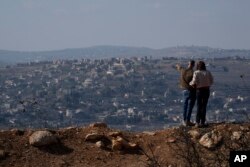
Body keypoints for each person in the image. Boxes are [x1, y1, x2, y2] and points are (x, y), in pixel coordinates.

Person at [189, 61, 213, 127]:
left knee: (199, 106)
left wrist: (190, 84)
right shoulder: (208, 72)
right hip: (207, 90)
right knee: (204, 106)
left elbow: (193, 82)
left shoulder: (196, 72)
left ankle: (197, 122)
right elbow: (211, 81)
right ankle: (202, 122)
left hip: (199, 90)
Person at [176, 60, 196, 126]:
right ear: (193, 65)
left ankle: (184, 120)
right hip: (191, 91)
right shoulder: (193, 73)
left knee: (185, 106)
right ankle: (187, 121)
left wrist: (178, 65)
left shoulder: (183, 70)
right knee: (190, 106)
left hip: (184, 90)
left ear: (188, 64)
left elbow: (179, 67)